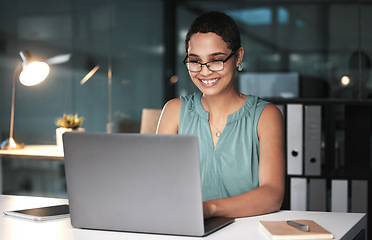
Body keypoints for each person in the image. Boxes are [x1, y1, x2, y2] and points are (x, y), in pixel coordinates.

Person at [156, 11, 284, 219]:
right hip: (186, 230)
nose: (204, 72)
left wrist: (208, 209)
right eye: (195, 61)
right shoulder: (174, 111)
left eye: (216, 60)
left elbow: (272, 195)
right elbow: (157, 183)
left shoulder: (265, 116)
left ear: (238, 57)